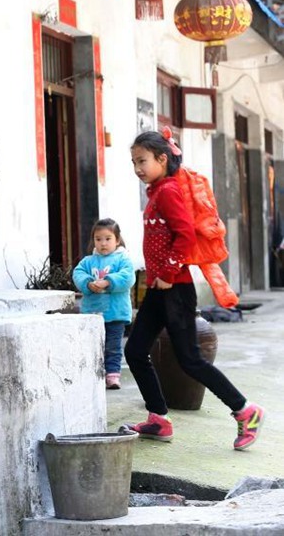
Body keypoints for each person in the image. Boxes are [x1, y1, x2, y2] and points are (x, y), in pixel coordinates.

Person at [123, 130, 264, 450]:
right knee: (134, 351)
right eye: (133, 162)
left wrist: (170, 271)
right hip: (161, 289)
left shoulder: (169, 190)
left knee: (190, 360)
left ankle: (246, 411)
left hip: (176, 289)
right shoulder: (157, 191)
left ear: (162, 159)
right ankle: (158, 418)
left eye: (142, 161)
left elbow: (185, 236)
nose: (137, 168)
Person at [72, 218, 135, 390]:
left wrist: (108, 281)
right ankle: (94, 373)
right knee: (92, 345)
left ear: (117, 239)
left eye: (108, 238)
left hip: (116, 313)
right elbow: (77, 273)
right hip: (92, 312)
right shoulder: (88, 261)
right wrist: (88, 284)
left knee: (113, 346)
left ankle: (113, 375)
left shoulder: (123, 259)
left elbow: (128, 277)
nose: (103, 243)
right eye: (98, 239)